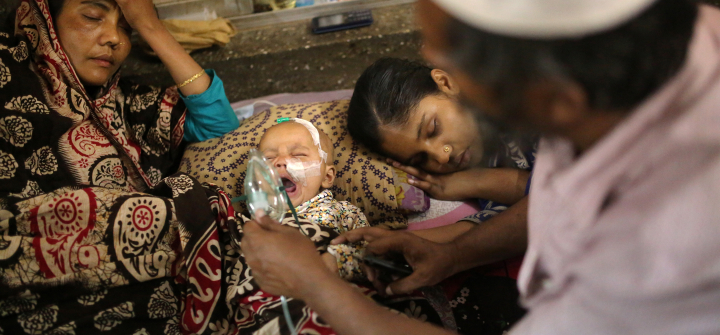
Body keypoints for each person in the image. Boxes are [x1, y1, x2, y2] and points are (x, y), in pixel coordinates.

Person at [241, 0, 720, 334]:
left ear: (549, 101)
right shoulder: (656, 49)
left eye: (447, 56)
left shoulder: (655, 249)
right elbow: (556, 198)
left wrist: (315, 286)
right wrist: (456, 254)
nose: (432, 61)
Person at [0, 0, 240, 333]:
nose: (114, 38)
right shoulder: (6, 74)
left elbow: (221, 128)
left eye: (127, 29)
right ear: (46, 20)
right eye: (92, 17)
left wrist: (151, 26)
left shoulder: (133, 105)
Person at [346, 57, 533, 333]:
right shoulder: (484, 161)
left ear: (446, 82)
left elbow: (569, 194)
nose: (440, 156)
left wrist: (476, 182)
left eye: (433, 129)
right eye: (420, 158)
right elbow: (488, 229)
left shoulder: (524, 98)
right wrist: (363, 251)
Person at [223, 118, 443, 334]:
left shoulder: (341, 212)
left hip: (325, 303)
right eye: (268, 158)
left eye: (298, 154)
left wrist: (332, 261)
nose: (280, 162)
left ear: (327, 177)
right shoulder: (249, 224)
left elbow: (374, 256)